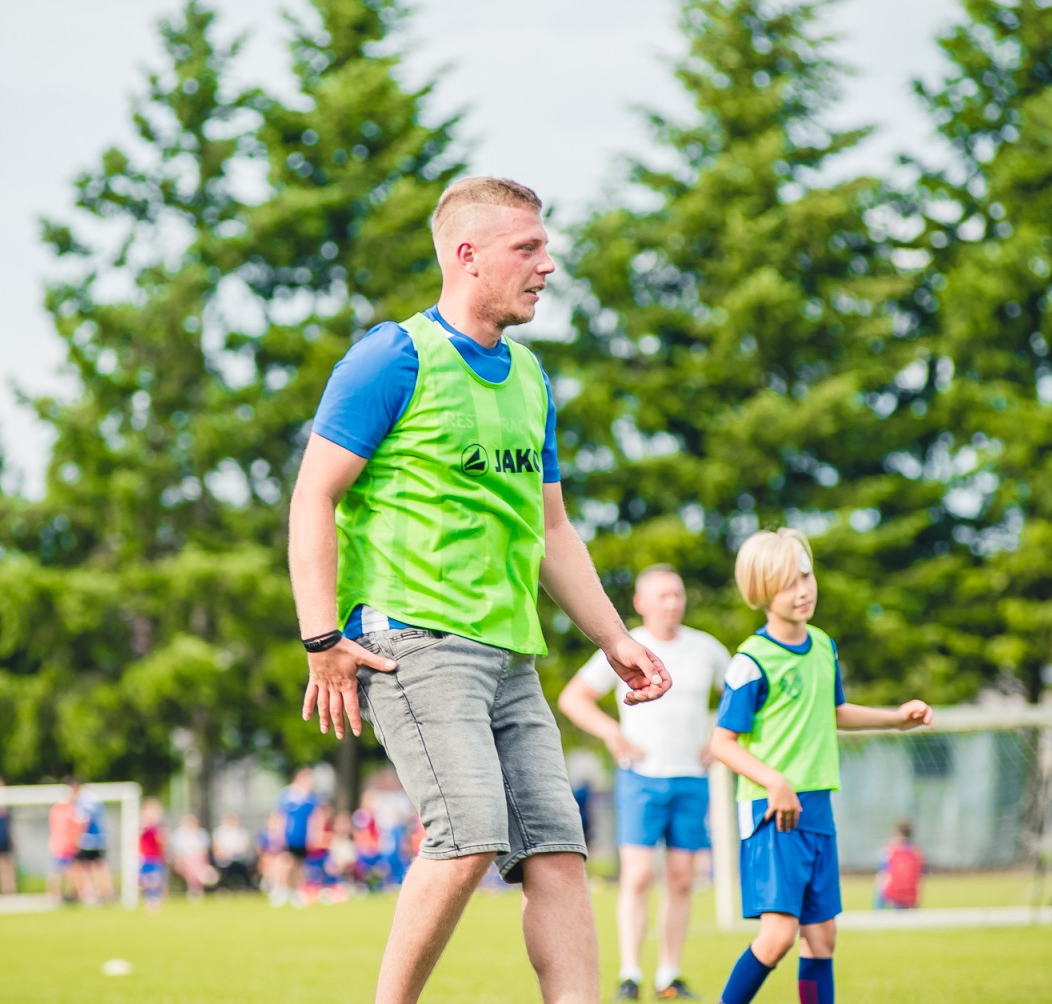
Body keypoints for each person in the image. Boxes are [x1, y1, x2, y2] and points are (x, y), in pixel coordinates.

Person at [289, 175, 670, 1004]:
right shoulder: (392, 356)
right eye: (527, 249)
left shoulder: (530, 376)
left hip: (511, 655)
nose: (548, 266)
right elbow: (313, 494)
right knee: (467, 836)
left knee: (559, 855)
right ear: (468, 256)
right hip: (412, 643)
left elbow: (553, 530)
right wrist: (321, 638)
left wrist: (616, 638)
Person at [710, 529, 933, 1004]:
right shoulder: (751, 660)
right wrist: (774, 781)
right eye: (787, 584)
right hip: (771, 812)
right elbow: (722, 744)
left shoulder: (823, 646)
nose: (802, 590)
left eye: (806, 576)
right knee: (778, 937)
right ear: (762, 592)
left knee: (823, 937)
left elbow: (833, 712)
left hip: (816, 808)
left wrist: (895, 719)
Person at [558, 564, 729, 1001]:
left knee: (682, 878)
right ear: (640, 602)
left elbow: (738, 698)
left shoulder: (706, 649)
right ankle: (630, 974)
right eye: (662, 595)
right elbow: (573, 698)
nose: (671, 603)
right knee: (636, 877)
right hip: (640, 779)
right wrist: (612, 733)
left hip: (691, 779)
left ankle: (669, 975)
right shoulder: (625, 647)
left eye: (677, 594)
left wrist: (719, 739)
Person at [271, 769, 318, 907]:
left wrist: (312, 835)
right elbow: (279, 816)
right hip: (288, 835)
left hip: (302, 837)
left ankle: (296, 891)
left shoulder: (310, 798)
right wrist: (278, 834)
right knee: (285, 862)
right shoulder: (287, 795)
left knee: (299, 865)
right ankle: (280, 890)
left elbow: (313, 818)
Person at [874, 820, 925, 910]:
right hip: (911, 893)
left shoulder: (890, 850)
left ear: (898, 834)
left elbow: (882, 870)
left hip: (893, 891)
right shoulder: (917, 853)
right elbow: (921, 875)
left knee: (880, 882)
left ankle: (878, 914)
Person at [47, 781, 81, 903]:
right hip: (65, 845)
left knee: (61, 870)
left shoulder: (56, 809)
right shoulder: (68, 809)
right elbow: (71, 828)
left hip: (60, 844)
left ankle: (60, 894)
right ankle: (59, 894)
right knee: (63, 870)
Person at [211, 812, 256, 892]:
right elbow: (216, 847)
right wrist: (224, 854)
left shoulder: (242, 832)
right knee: (223, 865)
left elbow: (246, 846)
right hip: (224, 857)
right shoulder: (219, 832)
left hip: (240, 857)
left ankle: (247, 886)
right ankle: (223, 887)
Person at [139, 799, 167, 912]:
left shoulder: (159, 827)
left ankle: (154, 901)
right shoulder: (143, 826)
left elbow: (162, 841)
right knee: (145, 880)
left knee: (154, 880)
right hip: (144, 857)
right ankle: (150, 899)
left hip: (155, 858)